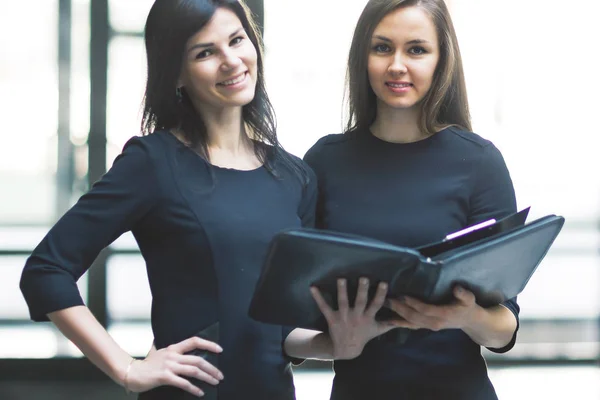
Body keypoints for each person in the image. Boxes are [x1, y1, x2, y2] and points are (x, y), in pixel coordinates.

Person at [19, 0, 319, 398]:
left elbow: (284, 329)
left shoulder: (295, 176)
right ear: (176, 73)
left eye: (237, 40)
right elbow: (45, 271)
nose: (231, 61)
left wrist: (344, 341)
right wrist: (126, 368)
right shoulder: (154, 162)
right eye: (205, 52)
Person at [300, 0, 520, 398]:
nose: (397, 65)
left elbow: (505, 327)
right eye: (382, 47)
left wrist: (465, 316)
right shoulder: (324, 161)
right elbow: (295, 306)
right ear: (362, 57)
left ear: (441, 60)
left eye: (416, 49)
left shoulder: (479, 162)